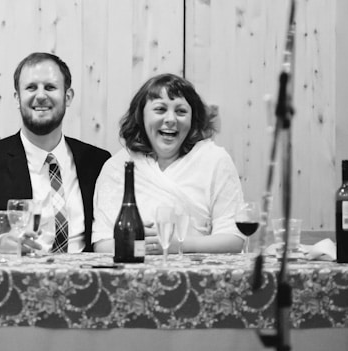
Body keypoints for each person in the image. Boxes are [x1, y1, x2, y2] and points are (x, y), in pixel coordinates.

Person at [0, 52, 111, 253]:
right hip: (14, 279)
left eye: (50, 87)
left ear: (68, 97)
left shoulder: (97, 162)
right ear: (17, 98)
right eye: (31, 88)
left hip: (86, 280)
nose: (41, 95)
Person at [93, 73, 244, 254]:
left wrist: (178, 245)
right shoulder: (118, 167)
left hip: (201, 275)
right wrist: (137, 244)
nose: (171, 119)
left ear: (193, 120)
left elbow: (234, 239)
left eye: (181, 111)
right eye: (160, 109)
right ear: (141, 115)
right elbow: (101, 245)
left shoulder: (215, 160)